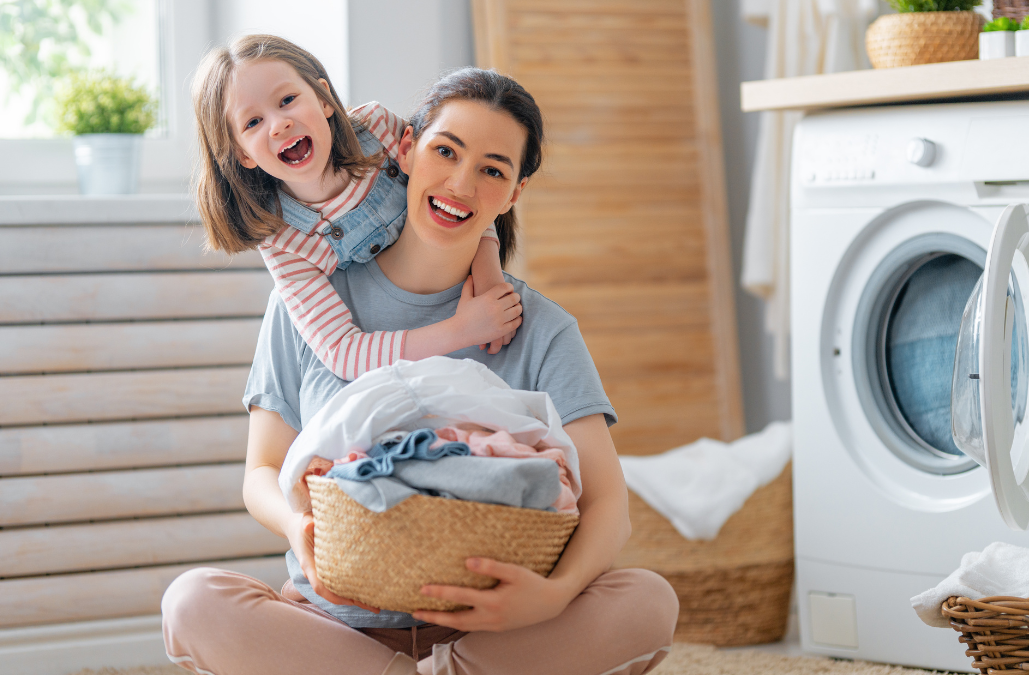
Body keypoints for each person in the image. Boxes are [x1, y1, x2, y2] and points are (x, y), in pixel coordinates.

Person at [162, 66, 679, 675]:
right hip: (335, 627)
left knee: (646, 601)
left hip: (496, 633)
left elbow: (608, 506)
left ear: (513, 193)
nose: (461, 184)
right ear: (404, 150)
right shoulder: (308, 304)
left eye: (493, 169)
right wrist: (297, 525)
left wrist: (555, 594)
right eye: (446, 151)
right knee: (193, 602)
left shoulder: (542, 328)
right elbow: (261, 473)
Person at [191, 34, 520, 382]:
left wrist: (488, 277)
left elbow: (461, 193)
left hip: (454, 282)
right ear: (242, 154)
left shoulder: (379, 128)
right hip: (400, 332)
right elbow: (342, 353)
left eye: (287, 100)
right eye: (253, 122)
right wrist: (462, 330)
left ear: (324, 99)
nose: (279, 124)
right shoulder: (281, 238)